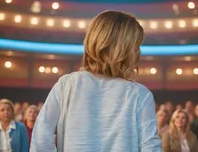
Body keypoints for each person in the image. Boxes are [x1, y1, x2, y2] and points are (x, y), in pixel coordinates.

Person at [30, 10, 161, 151]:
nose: (139, 52)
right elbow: (150, 147)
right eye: (136, 46)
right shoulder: (140, 94)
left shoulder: (67, 84)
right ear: (124, 50)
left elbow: (41, 139)